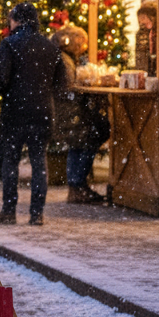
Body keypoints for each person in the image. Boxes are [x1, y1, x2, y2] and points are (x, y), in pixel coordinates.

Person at [0, 2, 67, 226]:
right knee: (39, 162)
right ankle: (36, 214)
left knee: (11, 162)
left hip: (15, 111)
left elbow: (0, 80)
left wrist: (5, 88)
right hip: (42, 110)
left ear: (17, 20)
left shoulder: (9, 44)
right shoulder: (50, 47)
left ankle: (9, 210)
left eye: (11, 19)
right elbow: (61, 82)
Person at [52, 24, 109, 205]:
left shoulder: (62, 57)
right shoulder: (64, 60)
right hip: (70, 111)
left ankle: (76, 186)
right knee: (90, 137)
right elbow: (68, 87)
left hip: (64, 111)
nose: (84, 47)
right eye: (82, 43)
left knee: (79, 143)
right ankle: (78, 185)